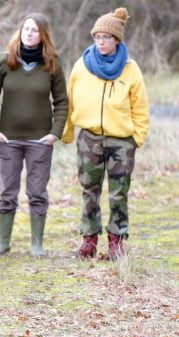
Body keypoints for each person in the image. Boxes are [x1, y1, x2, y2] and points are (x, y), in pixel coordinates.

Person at [62, 7, 150, 260]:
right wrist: (68, 132)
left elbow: (141, 107)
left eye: (106, 37)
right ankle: (89, 239)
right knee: (89, 190)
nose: (101, 42)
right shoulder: (82, 65)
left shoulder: (131, 69)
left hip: (121, 141)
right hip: (89, 138)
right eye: (97, 37)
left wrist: (137, 138)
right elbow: (69, 100)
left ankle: (116, 241)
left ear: (117, 40)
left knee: (118, 192)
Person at [0, 13, 67, 257]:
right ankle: (3, 242)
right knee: (7, 192)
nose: (29, 33)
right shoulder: (5, 62)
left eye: (34, 30)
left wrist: (54, 133)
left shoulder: (52, 63)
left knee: (37, 192)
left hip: (40, 141)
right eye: (26, 29)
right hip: (8, 140)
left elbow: (62, 101)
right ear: (20, 32)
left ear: (43, 34)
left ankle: (37, 244)